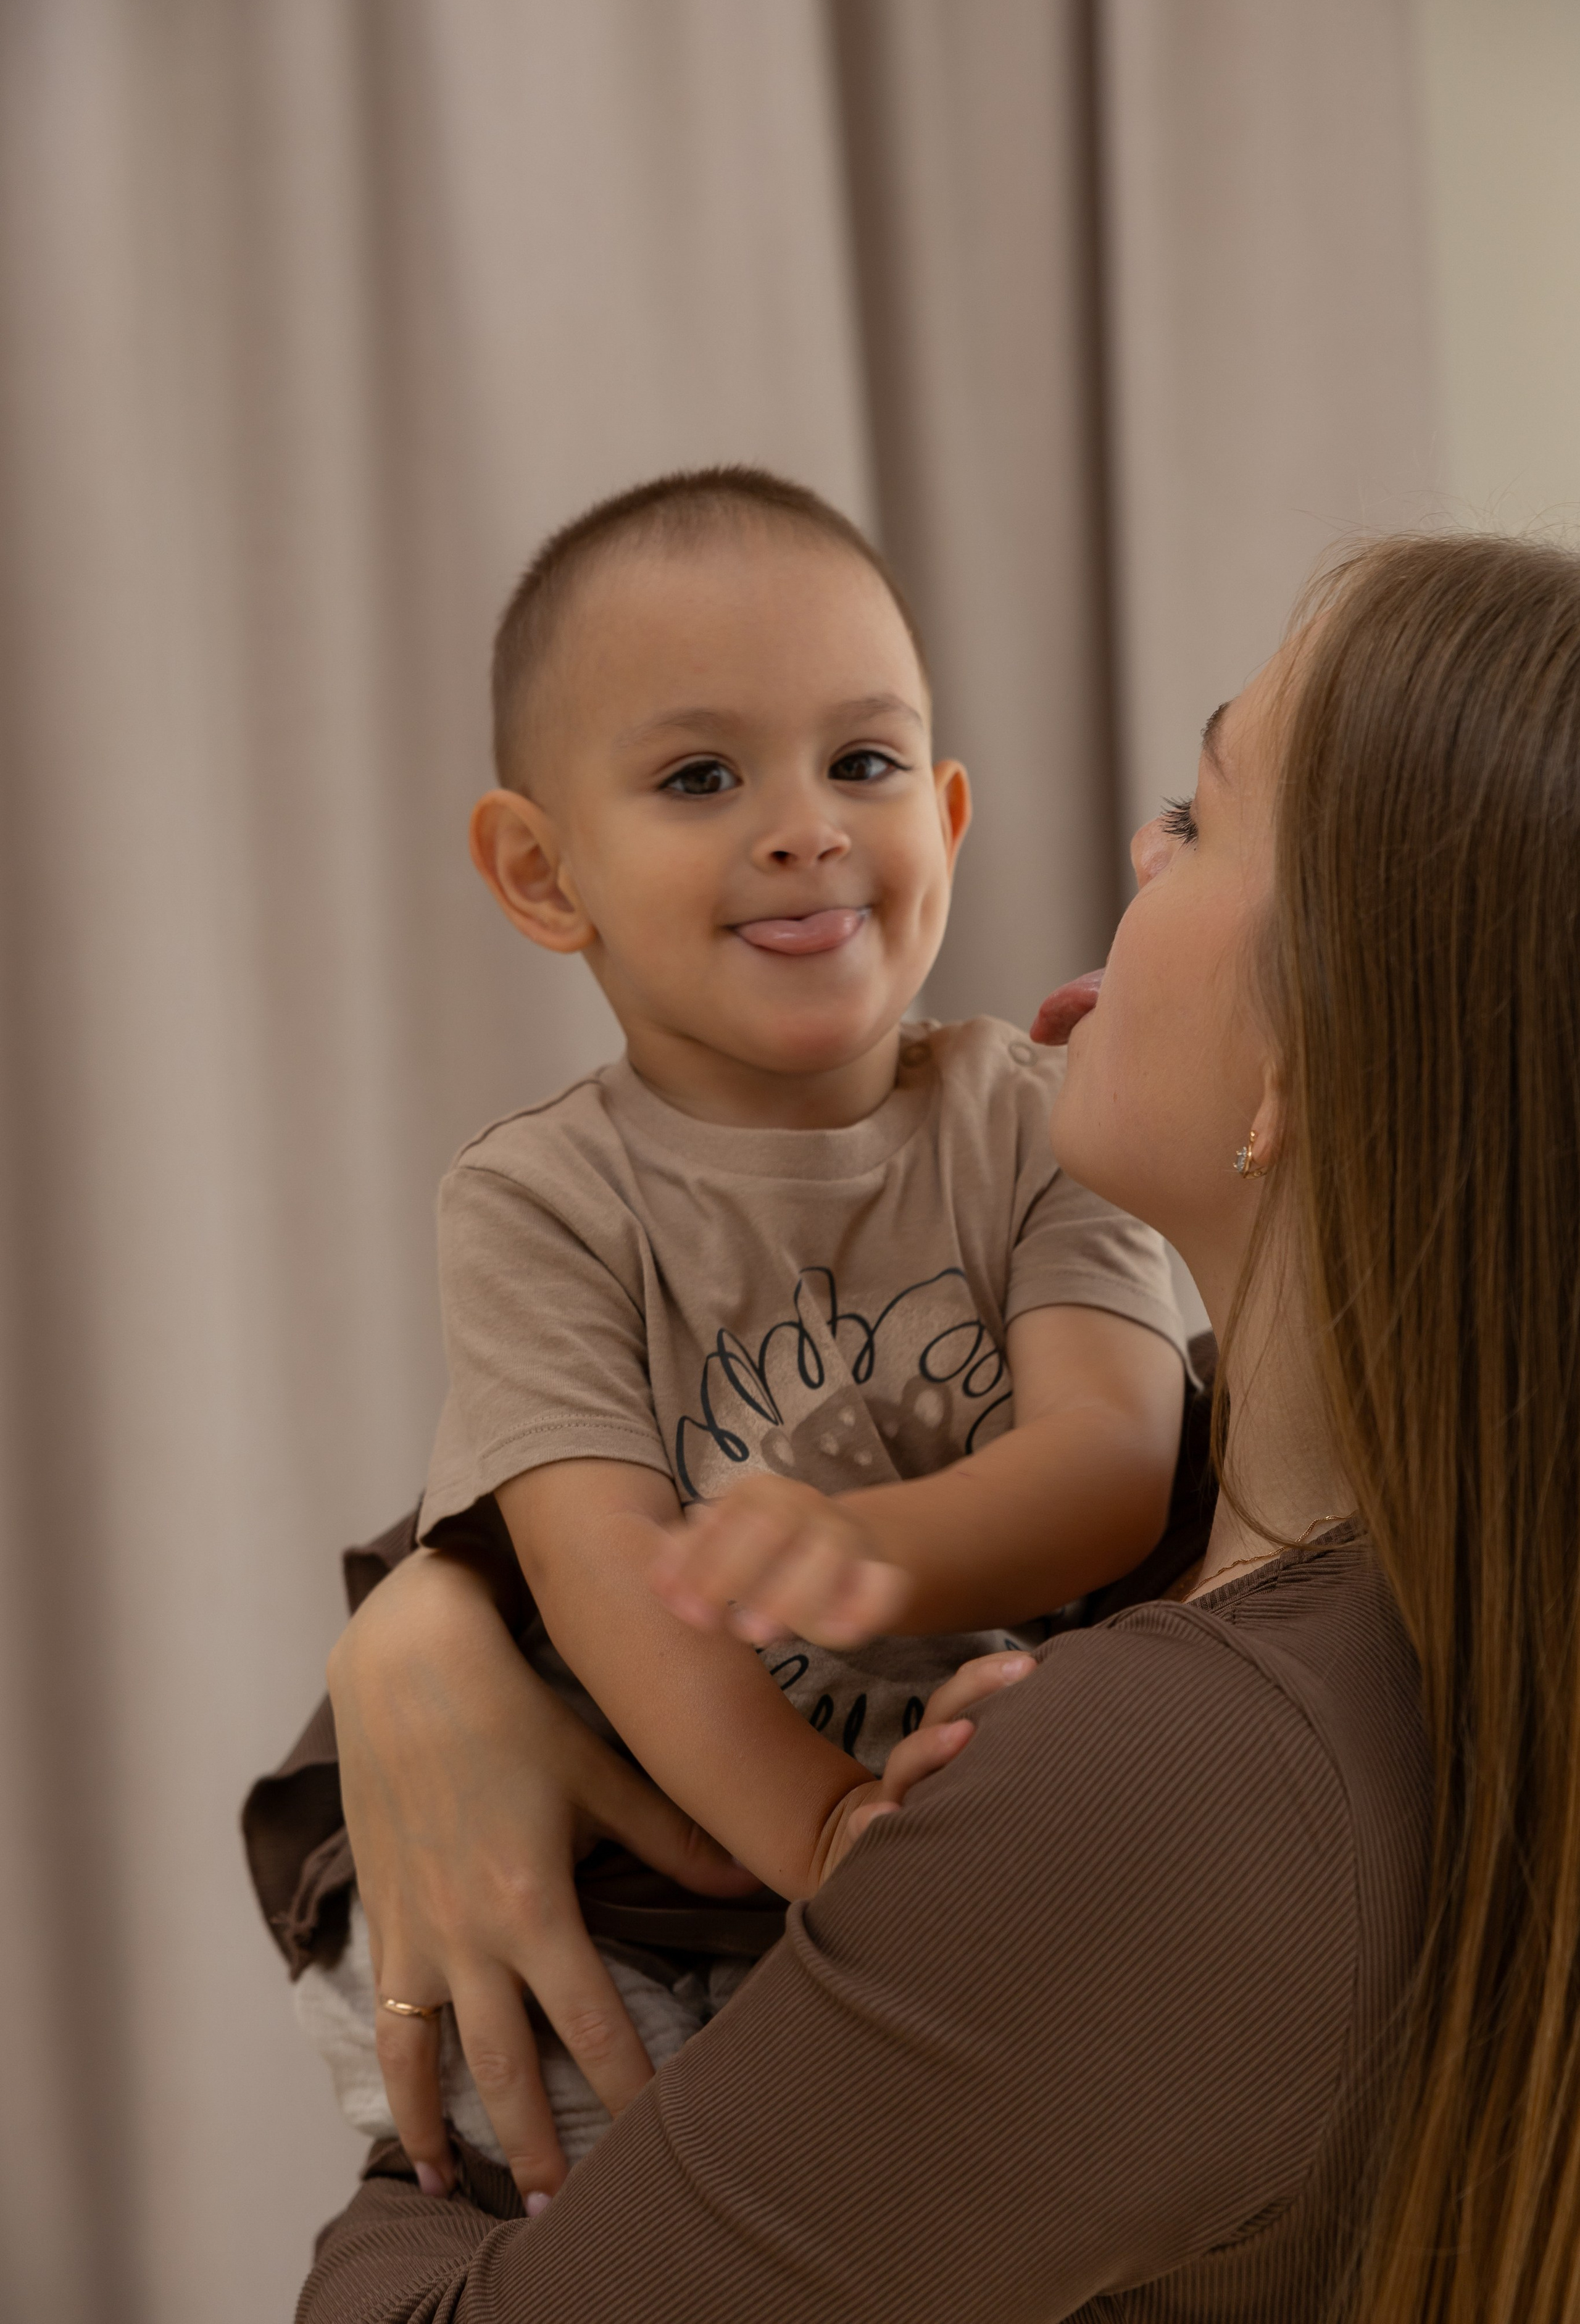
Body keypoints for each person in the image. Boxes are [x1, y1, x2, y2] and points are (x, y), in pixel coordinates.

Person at [301, 530, 1580, 2322]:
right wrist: (419, 1620)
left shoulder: (1170, 1788)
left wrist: (393, 2209)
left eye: (1197, 821)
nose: (1138, 851)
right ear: (541, 869)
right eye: (700, 775)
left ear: (1301, 1061)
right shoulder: (1360, 1593)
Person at [293, 466, 1189, 2194]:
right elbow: (608, 1580)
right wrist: (826, 1830)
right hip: (648, 1888)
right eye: (704, 778)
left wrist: (873, 1547)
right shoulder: (541, 1201)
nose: (806, 825)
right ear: (544, 873)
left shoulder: (1038, 1120)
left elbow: (1117, 1458)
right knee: (594, 2171)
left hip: (941, 1867)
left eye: (861, 763)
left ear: (944, 806)